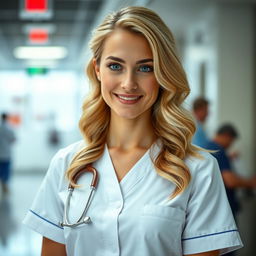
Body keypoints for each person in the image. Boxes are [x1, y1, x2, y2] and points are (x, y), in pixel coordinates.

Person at [23, 6, 243, 256]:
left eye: (145, 68)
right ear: (97, 69)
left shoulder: (198, 170)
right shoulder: (67, 164)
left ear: (163, 74)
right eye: (115, 66)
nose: (128, 83)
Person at [206, 124, 256, 217]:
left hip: (212, 205)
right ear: (226, 136)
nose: (230, 144)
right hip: (224, 206)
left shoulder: (208, 146)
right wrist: (251, 182)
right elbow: (230, 181)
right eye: (231, 140)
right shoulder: (220, 151)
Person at [0, 113, 16, 195]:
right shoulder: (9, 128)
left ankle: (3, 183)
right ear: (7, 118)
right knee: (6, 170)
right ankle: (5, 184)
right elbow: (13, 139)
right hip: (6, 153)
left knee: (1, 169)